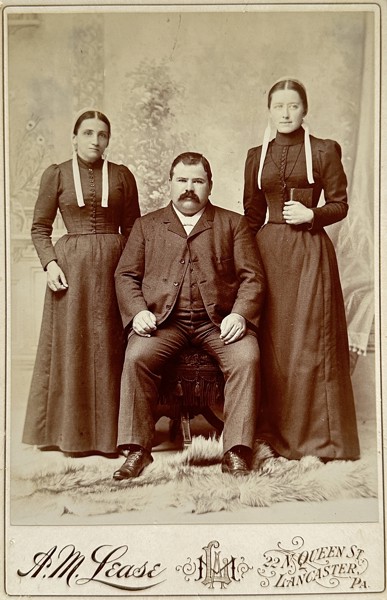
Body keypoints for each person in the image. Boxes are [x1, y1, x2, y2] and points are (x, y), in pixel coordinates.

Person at [113, 152, 264, 479]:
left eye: (197, 181)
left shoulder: (232, 224)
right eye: (182, 180)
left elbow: (253, 277)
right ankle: (137, 450)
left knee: (246, 359)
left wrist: (239, 315)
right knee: (136, 356)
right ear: (170, 184)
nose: (189, 188)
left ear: (210, 185)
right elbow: (125, 275)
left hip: (217, 323)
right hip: (165, 323)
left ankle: (235, 451)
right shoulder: (147, 226)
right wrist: (138, 311)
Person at [243, 78, 360, 461]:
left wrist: (313, 214)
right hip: (267, 254)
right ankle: (270, 434)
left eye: (293, 106)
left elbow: (340, 204)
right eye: (279, 106)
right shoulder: (256, 155)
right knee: (274, 344)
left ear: (304, 109)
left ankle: (318, 439)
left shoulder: (325, 150)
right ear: (269, 110)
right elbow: (251, 214)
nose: (286, 113)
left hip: (310, 252)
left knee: (308, 344)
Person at [22, 110, 140, 455]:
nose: (95, 140)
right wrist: (50, 263)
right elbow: (40, 228)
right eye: (87, 133)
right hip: (71, 272)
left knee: (110, 346)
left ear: (108, 139)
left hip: (114, 269)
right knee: (73, 344)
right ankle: (69, 435)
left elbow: (133, 228)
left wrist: (132, 271)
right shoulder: (56, 174)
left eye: (102, 134)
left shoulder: (121, 176)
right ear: (74, 138)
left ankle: (112, 437)